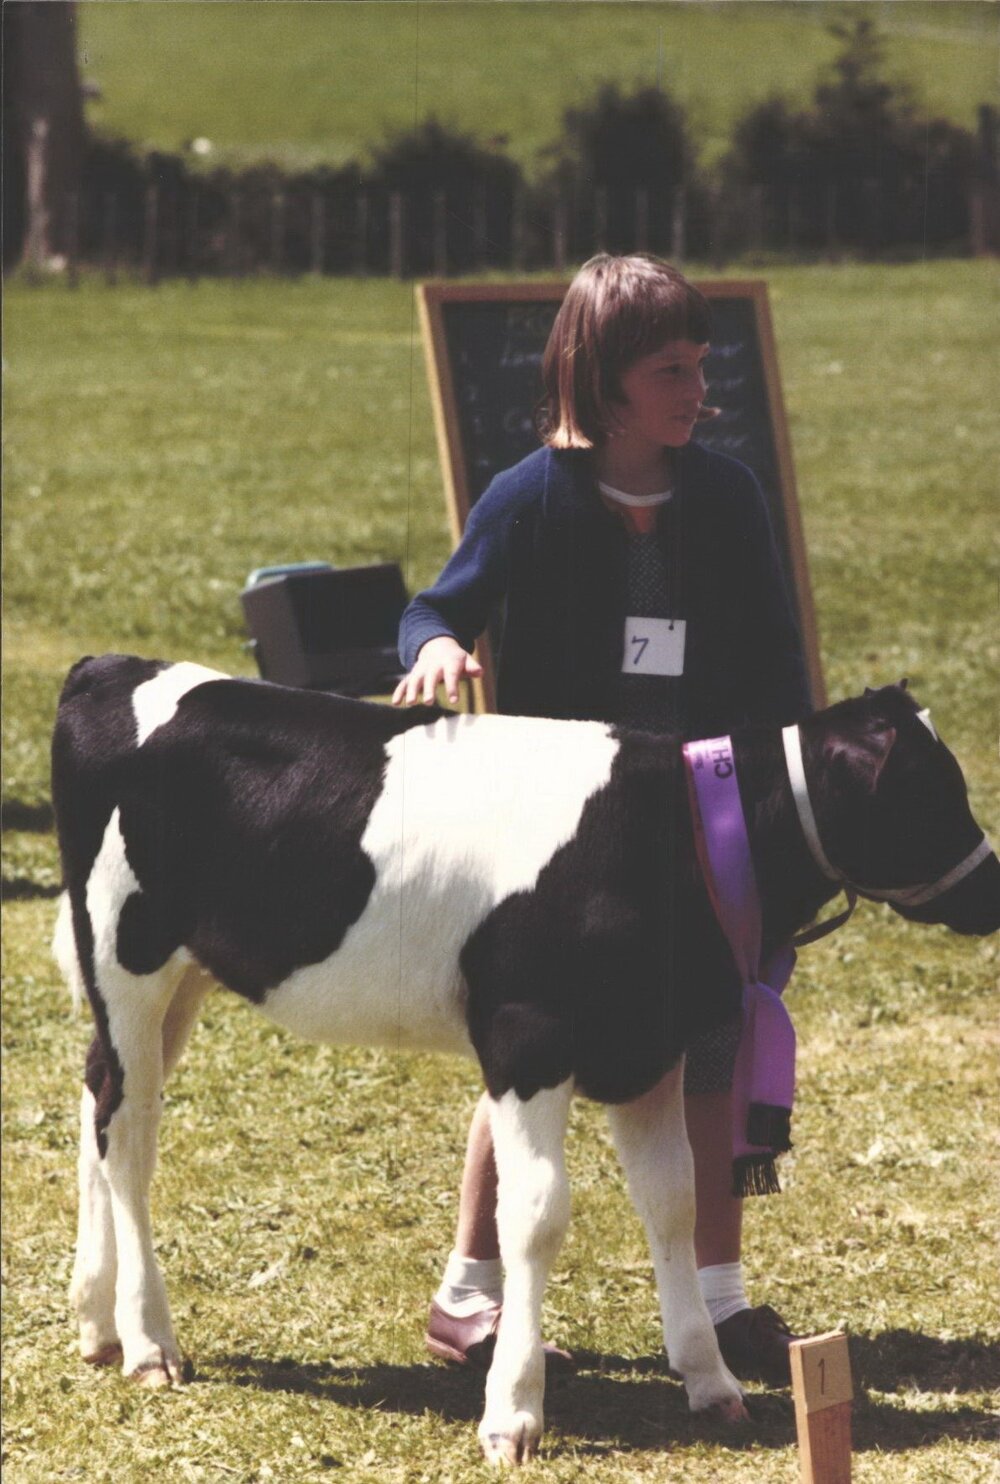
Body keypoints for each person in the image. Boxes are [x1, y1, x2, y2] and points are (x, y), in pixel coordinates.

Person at [392, 253, 812, 1386]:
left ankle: (718, 1302)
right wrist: (433, 643)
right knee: (539, 1057)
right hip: (565, 840)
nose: (698, 386)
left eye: (701, 361)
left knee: (712, 1043)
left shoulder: (725, 497)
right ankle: (467, 1296)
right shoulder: (528, 495)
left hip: (702, 824)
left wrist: (782, 805)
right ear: (603, 377)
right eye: (671, 368)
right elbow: (439, 603)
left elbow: (777, 668)